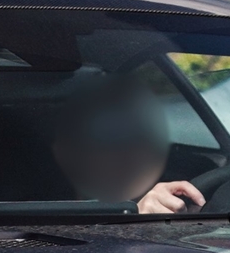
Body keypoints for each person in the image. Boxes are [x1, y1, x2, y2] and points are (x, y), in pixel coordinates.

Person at [51, 85, 204, 213]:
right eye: (108, 136)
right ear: (66, 152)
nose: (129, 150)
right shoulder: (41, 220)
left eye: (139, 134)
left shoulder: (158, 200)